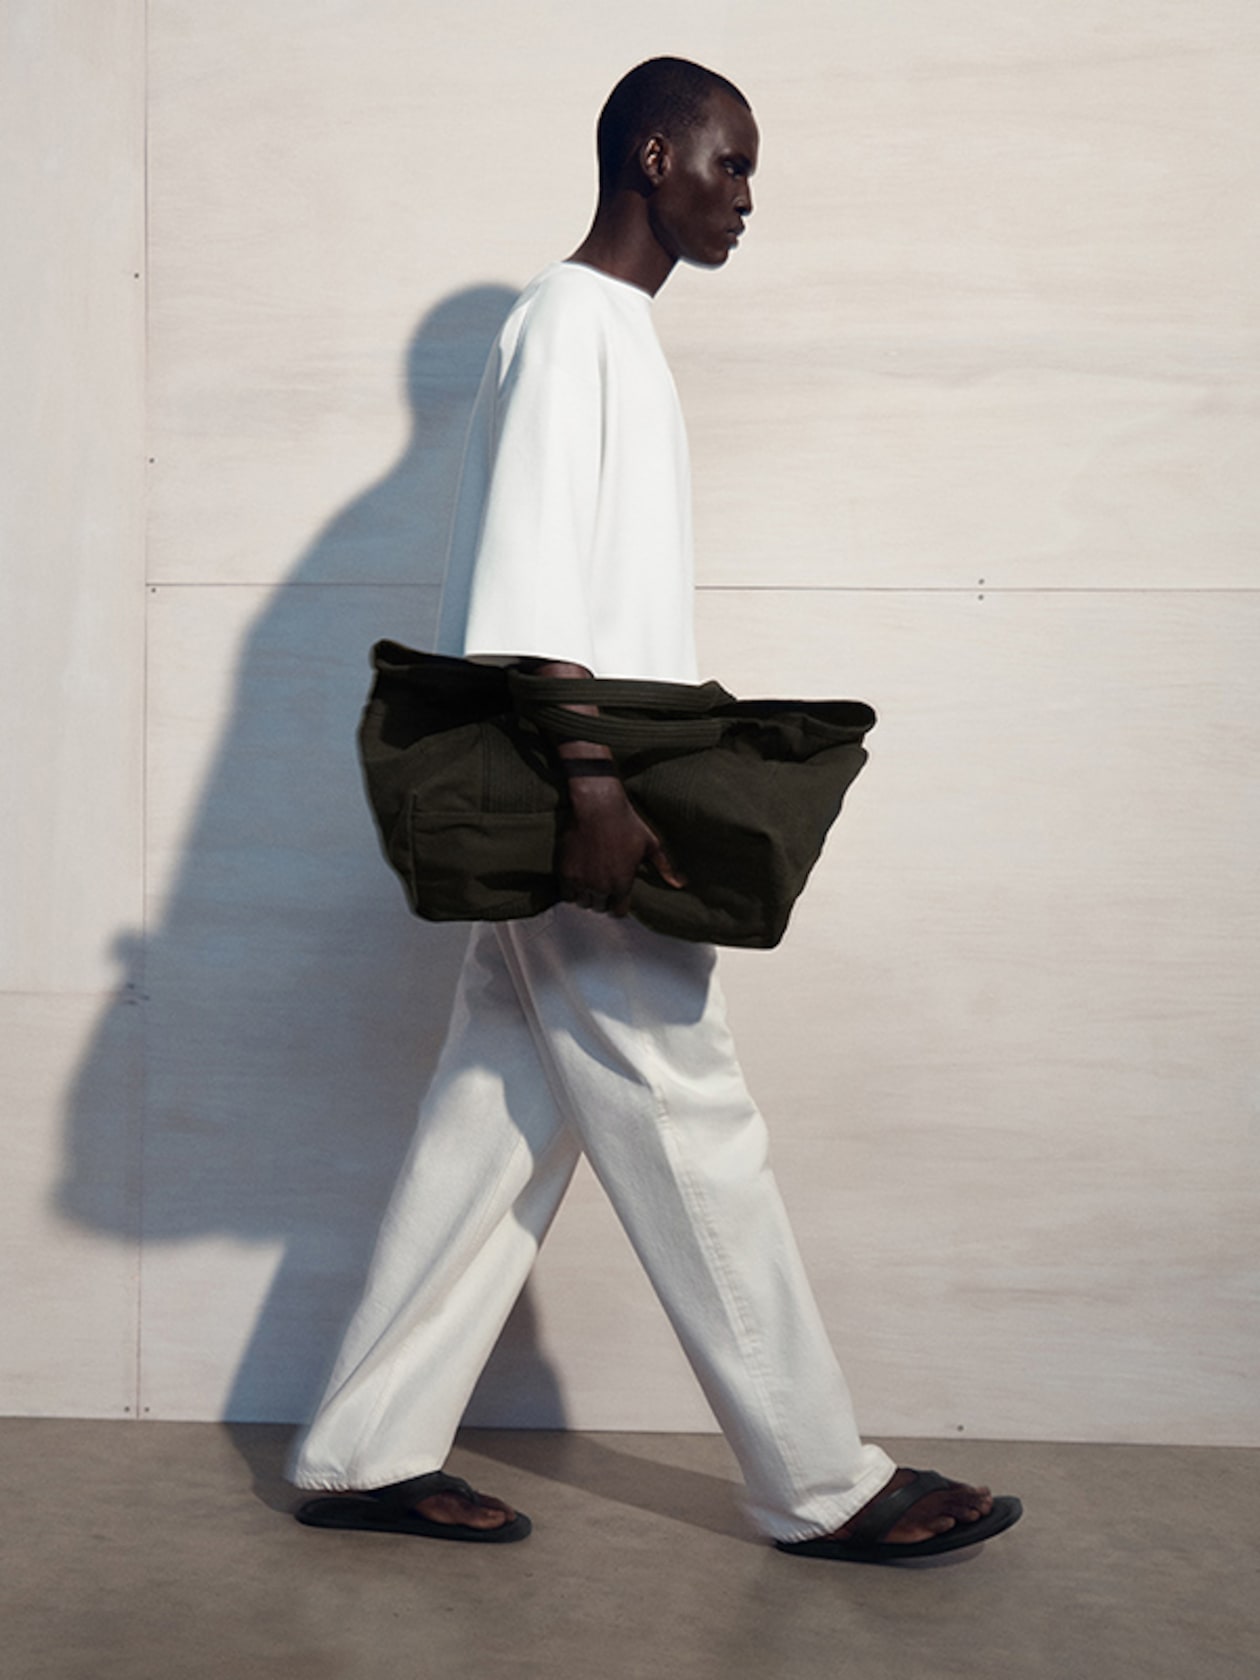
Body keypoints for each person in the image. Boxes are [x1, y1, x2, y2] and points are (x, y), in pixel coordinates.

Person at [289, 56, 1021, 1563]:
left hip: (593, 784)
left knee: (497, 1111)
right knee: (691, 1113)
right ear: (652, 152)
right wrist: (601, 795)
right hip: (587, 802)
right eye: (730, 166)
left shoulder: (602, 329)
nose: (744, 199)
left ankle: (364, 1446)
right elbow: (533, 581)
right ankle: (820, 1481)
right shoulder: (570, 328)